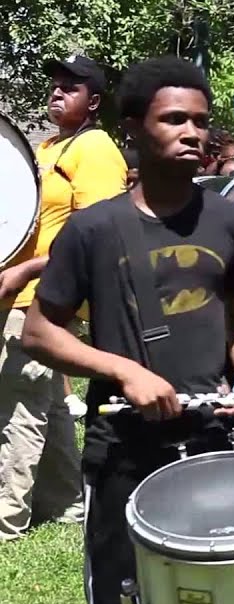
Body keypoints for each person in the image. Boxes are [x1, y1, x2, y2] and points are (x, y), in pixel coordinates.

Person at [20, 55, 234, 604]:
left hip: (210, 451)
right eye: (174, 120)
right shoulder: (94, 228)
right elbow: (41, 332)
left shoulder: (233, 223)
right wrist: (123, 370)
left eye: (201, 122)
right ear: (134, 126)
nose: (193, 133)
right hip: (124, 452)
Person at [0, 54, 125, 542]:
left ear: (94, 102)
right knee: (47, 403)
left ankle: (7, 518)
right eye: (55, 84)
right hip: (21, 293)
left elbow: (95, 235)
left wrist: (28, 270)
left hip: (45, 298)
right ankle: (67, 502)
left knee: (16, 404)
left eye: (71, 87)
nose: (57, 92)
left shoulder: (94, 149)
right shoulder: (49, 146)